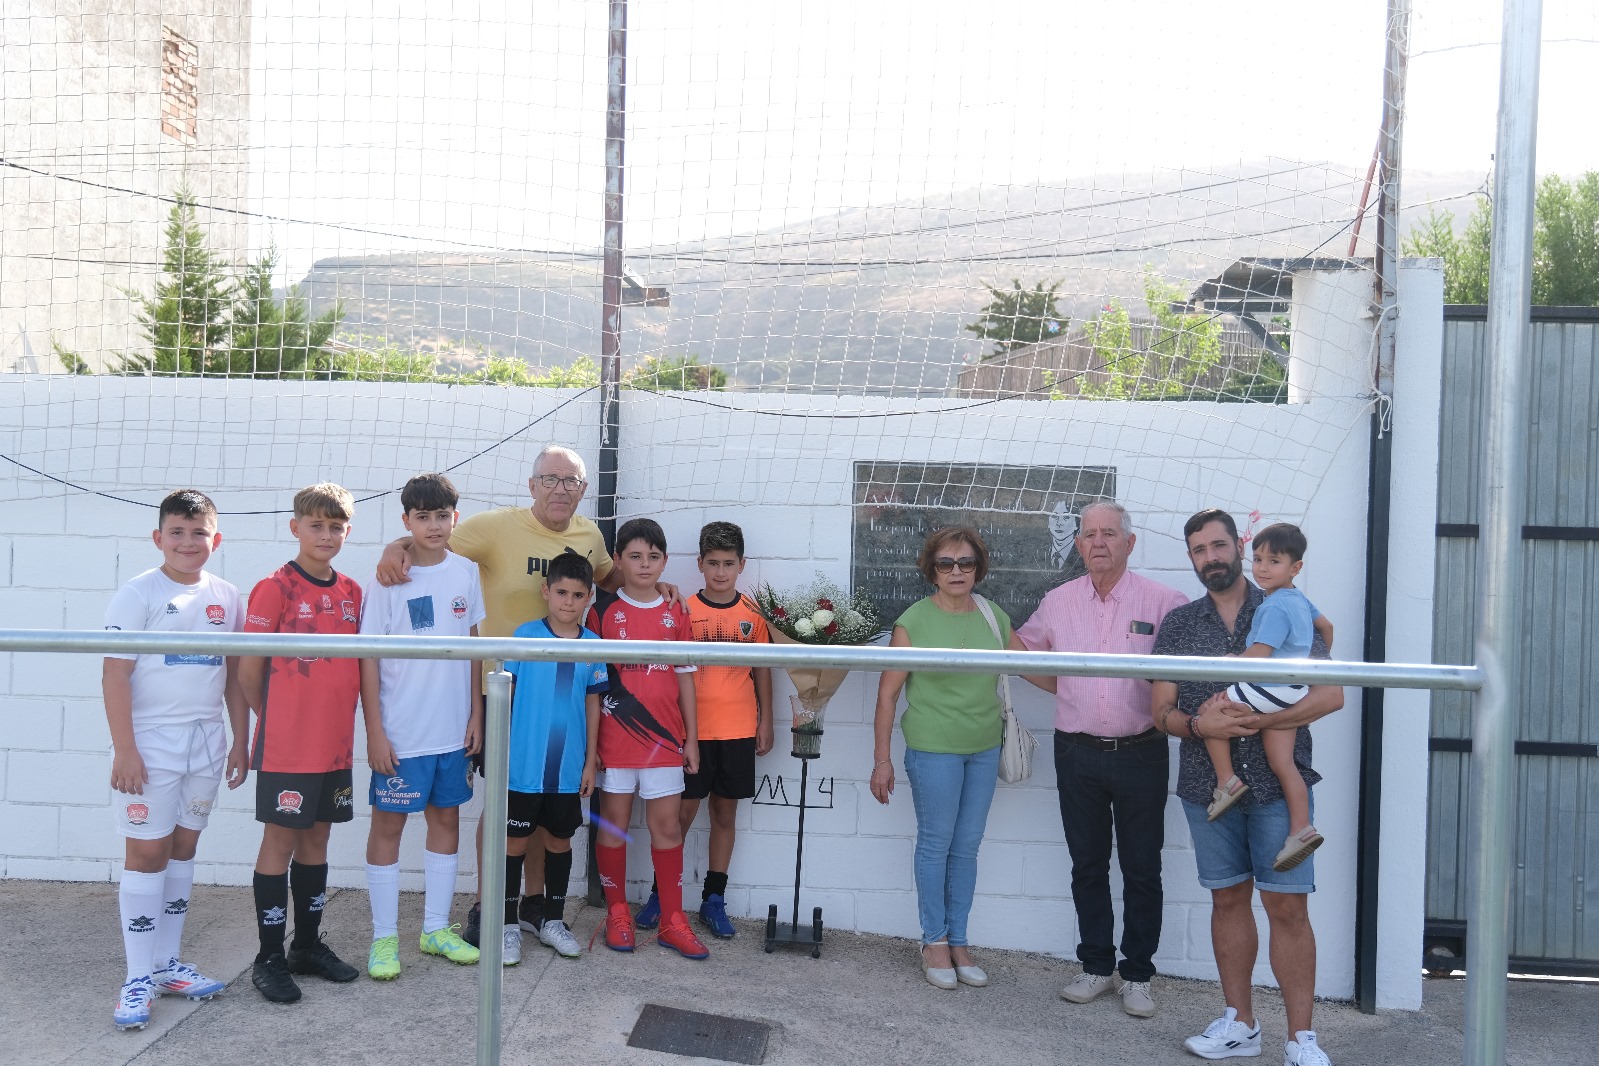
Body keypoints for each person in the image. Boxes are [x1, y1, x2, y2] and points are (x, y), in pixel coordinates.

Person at [373, 444, 674, 945]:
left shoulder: (589, 536)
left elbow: (613, 578)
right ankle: (488, 906)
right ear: (532, 485)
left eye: (570, 481)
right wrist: (395, 547)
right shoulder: (495, 528)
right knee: (505, 806)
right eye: (550, 479)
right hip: (503, 693)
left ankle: (534, 905)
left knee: (546, 806)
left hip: (564, 699)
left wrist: (660, 588)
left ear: (583, 489)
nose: (560, 489)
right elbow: (432, 538)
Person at [1151, 508, 1343, 1066]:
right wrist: (1200, 726)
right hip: (1207, 788)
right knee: (1228, 900)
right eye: (1198, 550)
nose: (1210, 557)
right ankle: (1240, 1024)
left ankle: (1301, 1039)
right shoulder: (1179, 624)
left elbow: (1331, 695)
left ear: (1239, 546)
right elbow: (1160, 711)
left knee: (1288, 909)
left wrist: (1262, 720)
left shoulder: (1286, 603)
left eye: (1218, 545)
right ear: (1192, 559)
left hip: (1279, 788)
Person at [1015, 499, 1187, 1019]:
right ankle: (1095, 966)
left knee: (1142, 868)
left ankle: (1137, 975)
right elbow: (1019, 653)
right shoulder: (1058, 601)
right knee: (1087, 865)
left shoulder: (1165, 602)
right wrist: (1066, 687)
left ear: (1129, 542)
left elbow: (1184, 674)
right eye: (1088, 534)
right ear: (1078, 544)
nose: (1097, 543)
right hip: (1077, 752)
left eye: (1108, 533)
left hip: (1141, 752)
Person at [869, 526, 1044, 990]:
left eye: (966, 562)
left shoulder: (992, 615)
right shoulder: (913, 621)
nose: (956, 571)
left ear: (978, 568)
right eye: (946, 563)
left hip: (984, 748)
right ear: (932, 570)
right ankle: (934, 941)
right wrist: (882, 760)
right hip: (933, 749)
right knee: (936, 844)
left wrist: (1095, 681)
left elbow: (1035, 668)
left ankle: (960, 941)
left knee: (966, 847)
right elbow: (887, 696)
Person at [103, 489, 248, 1031]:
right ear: (158, 537)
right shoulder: (137, 593)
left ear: (216, 538)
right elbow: (114, 674)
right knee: (147, 852)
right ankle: (137, 977)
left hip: (206, 743)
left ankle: (166, 965)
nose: (189, 542)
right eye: (178, 532)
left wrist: (241, 740)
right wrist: (125, 749)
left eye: (199, 532)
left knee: (184, 847)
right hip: (150, 745)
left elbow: (234, 677)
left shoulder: (227, 596)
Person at [239, 482, 365, 1004]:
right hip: (287, 747)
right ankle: (268, 957)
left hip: (334, 747)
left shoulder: (353, 591)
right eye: (316, 525)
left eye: (336, 527)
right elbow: (249, 670)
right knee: (280, 842)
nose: (326, 535)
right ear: (296, 528)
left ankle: (306, 946)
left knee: (317, 841)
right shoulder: (275, 588)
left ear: (347, 531)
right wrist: (278, 719)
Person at [359, 473, 485, 980]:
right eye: (423, 516)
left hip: (452, 731)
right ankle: (383, 937)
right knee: (388, 827)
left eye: (442, 516)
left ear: (455, 518)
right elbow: (368, 657)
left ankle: (434, 928)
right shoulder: (388, 578)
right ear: (406, 521)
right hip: (402, 732)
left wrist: (476, 712)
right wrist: (375, 731)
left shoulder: (467, 572)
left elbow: (474, 645)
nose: (434, 525)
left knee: (446, 821)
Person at [635, 521, 774, 938]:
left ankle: (714, 899)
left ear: (741, 565)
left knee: (724, 814)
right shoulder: (683, 609)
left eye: (728, 564)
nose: (720, 572)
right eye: (713, 563)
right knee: (678, 816)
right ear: (699, 564)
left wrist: (766, 719)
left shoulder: (753, 615)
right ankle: (662, 894)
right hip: (690, 734)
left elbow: (763, 670)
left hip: (738, 730)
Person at [586, 518, 708, 960]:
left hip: (665, 741)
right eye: (634, 556)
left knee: (667, 827)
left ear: (665, 561)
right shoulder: (600, 613)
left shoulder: (677, 610)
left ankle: (673, 920)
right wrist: (591, 749)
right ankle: (617, 913)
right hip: (615, 741)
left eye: (653, 557)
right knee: (613, 824)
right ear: (618, 560)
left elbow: (686, 677)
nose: (644, 564)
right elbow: (592, 687)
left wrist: (691, 739)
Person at [1204, 522, 1334, 876]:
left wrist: (1233, 661)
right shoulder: (1299, 599)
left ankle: (1227, 781)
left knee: (1212, 712)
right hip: (1292, 689)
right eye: (1258, 559)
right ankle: (1301, 829)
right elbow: (1327, 628)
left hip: (1269, 685)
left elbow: (1261, 652)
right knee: (1283, 762)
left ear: (1295, 567)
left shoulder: (1274, 606)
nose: (1262, 568)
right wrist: (1309, 666)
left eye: (1274, 561)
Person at [497, 551, 608, 963]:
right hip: (523, 768)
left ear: (589, 597)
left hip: (567, 769)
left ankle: (552, 921)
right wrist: (500, 754)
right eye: (561, 592)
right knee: (515, 842)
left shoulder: (593, 646)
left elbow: (593, 705)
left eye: (578, 595)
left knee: (560, 841)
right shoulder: (525, 636)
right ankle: (508, 925)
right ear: (546, 591)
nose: (568, 602)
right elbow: (506, 698)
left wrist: (590, 761)